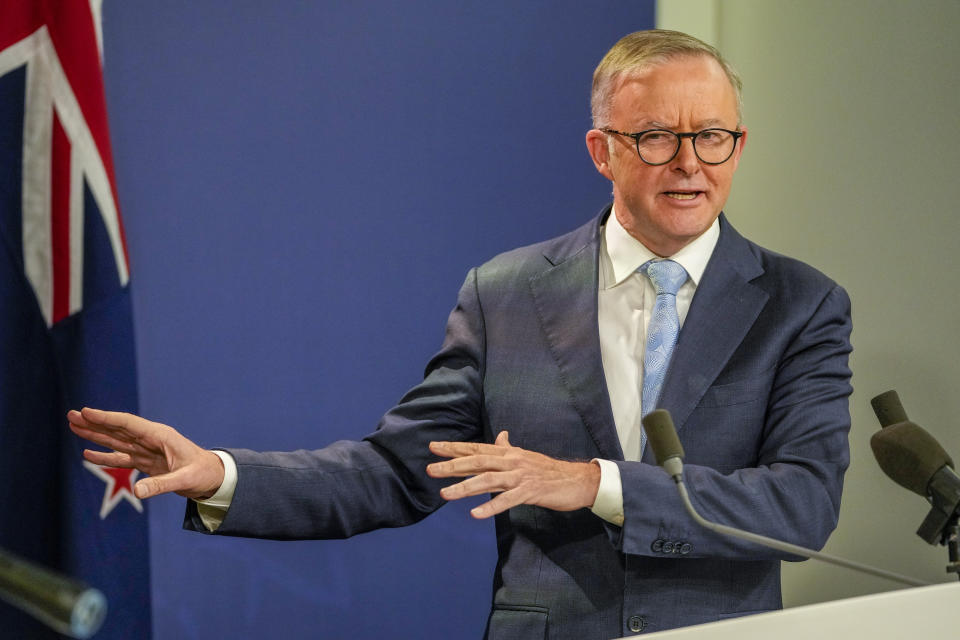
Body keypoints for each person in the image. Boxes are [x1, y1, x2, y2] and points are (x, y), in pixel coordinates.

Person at [69, 29, 852, 638]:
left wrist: (594, 483)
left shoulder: (800, 305)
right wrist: (220, 474)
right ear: (603, 151)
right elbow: (397, 471)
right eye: (656, 137)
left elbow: (803, 506)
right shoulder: (507, 293)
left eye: (711, 136)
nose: (689, 163)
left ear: (738, 146)